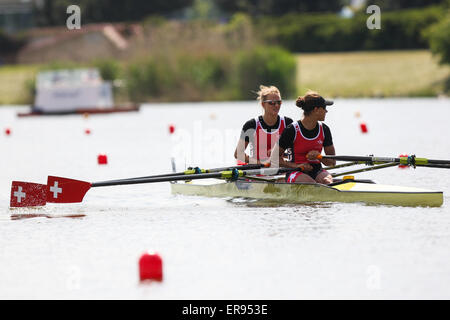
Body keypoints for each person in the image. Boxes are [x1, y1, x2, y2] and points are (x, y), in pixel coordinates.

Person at [271, 90, 336, 184]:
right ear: (316, 110)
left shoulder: (324, 129)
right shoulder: (291, 130)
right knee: (311, 185)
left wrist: (319, 157)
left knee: (327, 181)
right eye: (324, 108)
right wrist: (297, 166)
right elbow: (274, 158)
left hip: (317, 170)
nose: (326, 111)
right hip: (295, 171)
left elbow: (332, 162)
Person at [234, 85, 293, 165]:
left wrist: (280, 155)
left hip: (280, 170)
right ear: (263, 105)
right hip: (258, 172)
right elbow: (238, 154)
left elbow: (293, 152)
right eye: (272, 103)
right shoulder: (251, 125)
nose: (276, 105)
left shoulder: (287, 123)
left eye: (279, 102)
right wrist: (260, 163)